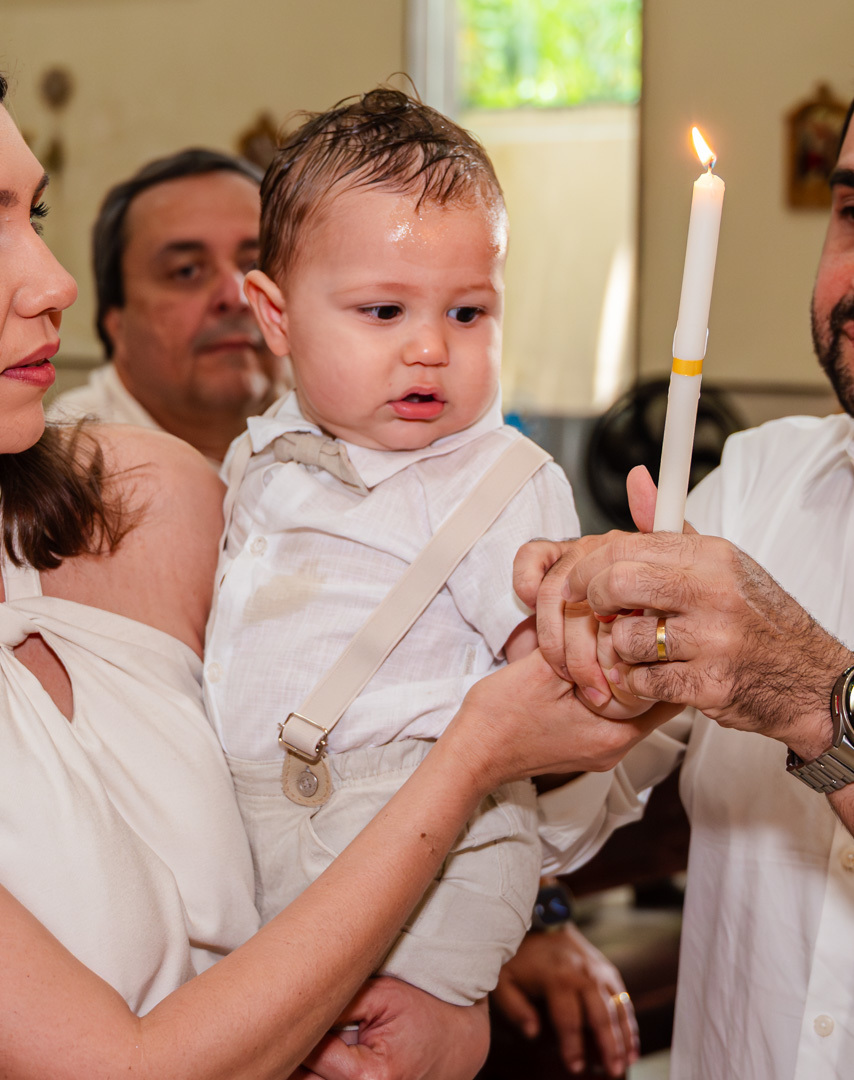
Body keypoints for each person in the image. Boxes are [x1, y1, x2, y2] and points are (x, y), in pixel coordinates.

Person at [0, 72, 670, 1077]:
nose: (50, 279)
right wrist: (473, 753)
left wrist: (459, 1003)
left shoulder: (153, 501)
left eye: (35, 212)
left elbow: (409, 678)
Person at [204, 88, 582, 1009]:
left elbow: (556, 694)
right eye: (384, 311)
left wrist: (594, 626)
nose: (429, 349)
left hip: (427, 856)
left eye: (467, 314)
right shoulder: (258, 462)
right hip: (252, 829)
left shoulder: (497, 483)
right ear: (276, 314)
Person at [514, 97, 854, 1078]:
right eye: (850, 211)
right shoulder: (752, 483)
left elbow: (794, 689)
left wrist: (806, 695)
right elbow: (577, 802)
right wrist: (572, 670)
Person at [50, 148, 286, 464]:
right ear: (115, 324)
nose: (237, 296)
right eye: (187, 271)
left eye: (256, 264)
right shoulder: (65, 473)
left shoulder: (353, 416)